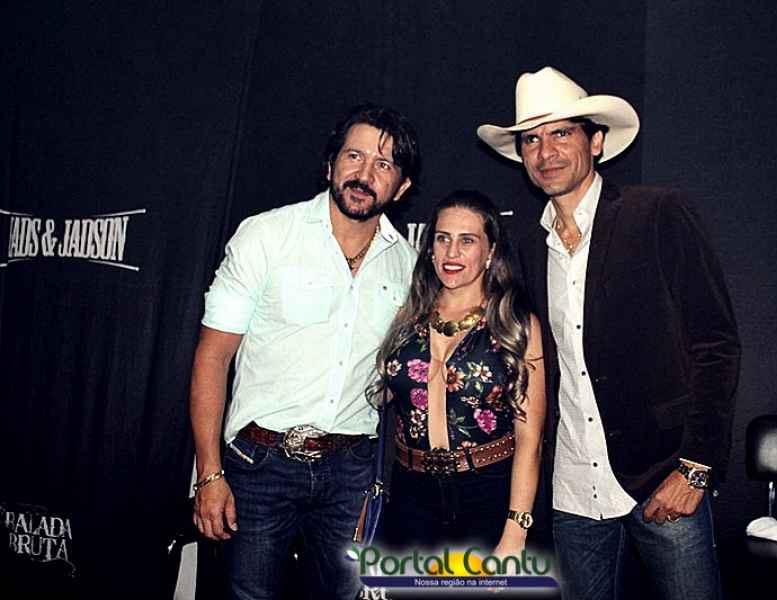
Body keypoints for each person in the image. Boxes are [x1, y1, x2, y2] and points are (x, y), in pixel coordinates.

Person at [477, 67, 741, 599]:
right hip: (572, 489)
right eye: (532, 139)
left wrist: (695, 468)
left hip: (663, 476)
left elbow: (715, 343)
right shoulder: (526, 244)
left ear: (596, 142)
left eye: (561, 133)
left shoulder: (657, 214)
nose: (546, 152)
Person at [189, 103, 420, 600]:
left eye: (383, 164)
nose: (364, 174)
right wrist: (208, 473)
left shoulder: (407, 265)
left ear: (401, 187)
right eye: (354, 156)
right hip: (258, 465)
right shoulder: (266, 236)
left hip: (352, 472)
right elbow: (213, 356)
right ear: (330, 164)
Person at [372, 190, 546, 558]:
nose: (452, 253)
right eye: (442, 238)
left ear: (490, 251)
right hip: (410, 493)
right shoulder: (406, 317)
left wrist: (515, 532)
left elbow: (530, 439)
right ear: (429, 247)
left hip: (488, 490)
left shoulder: (514, 324)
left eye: (467, 241)